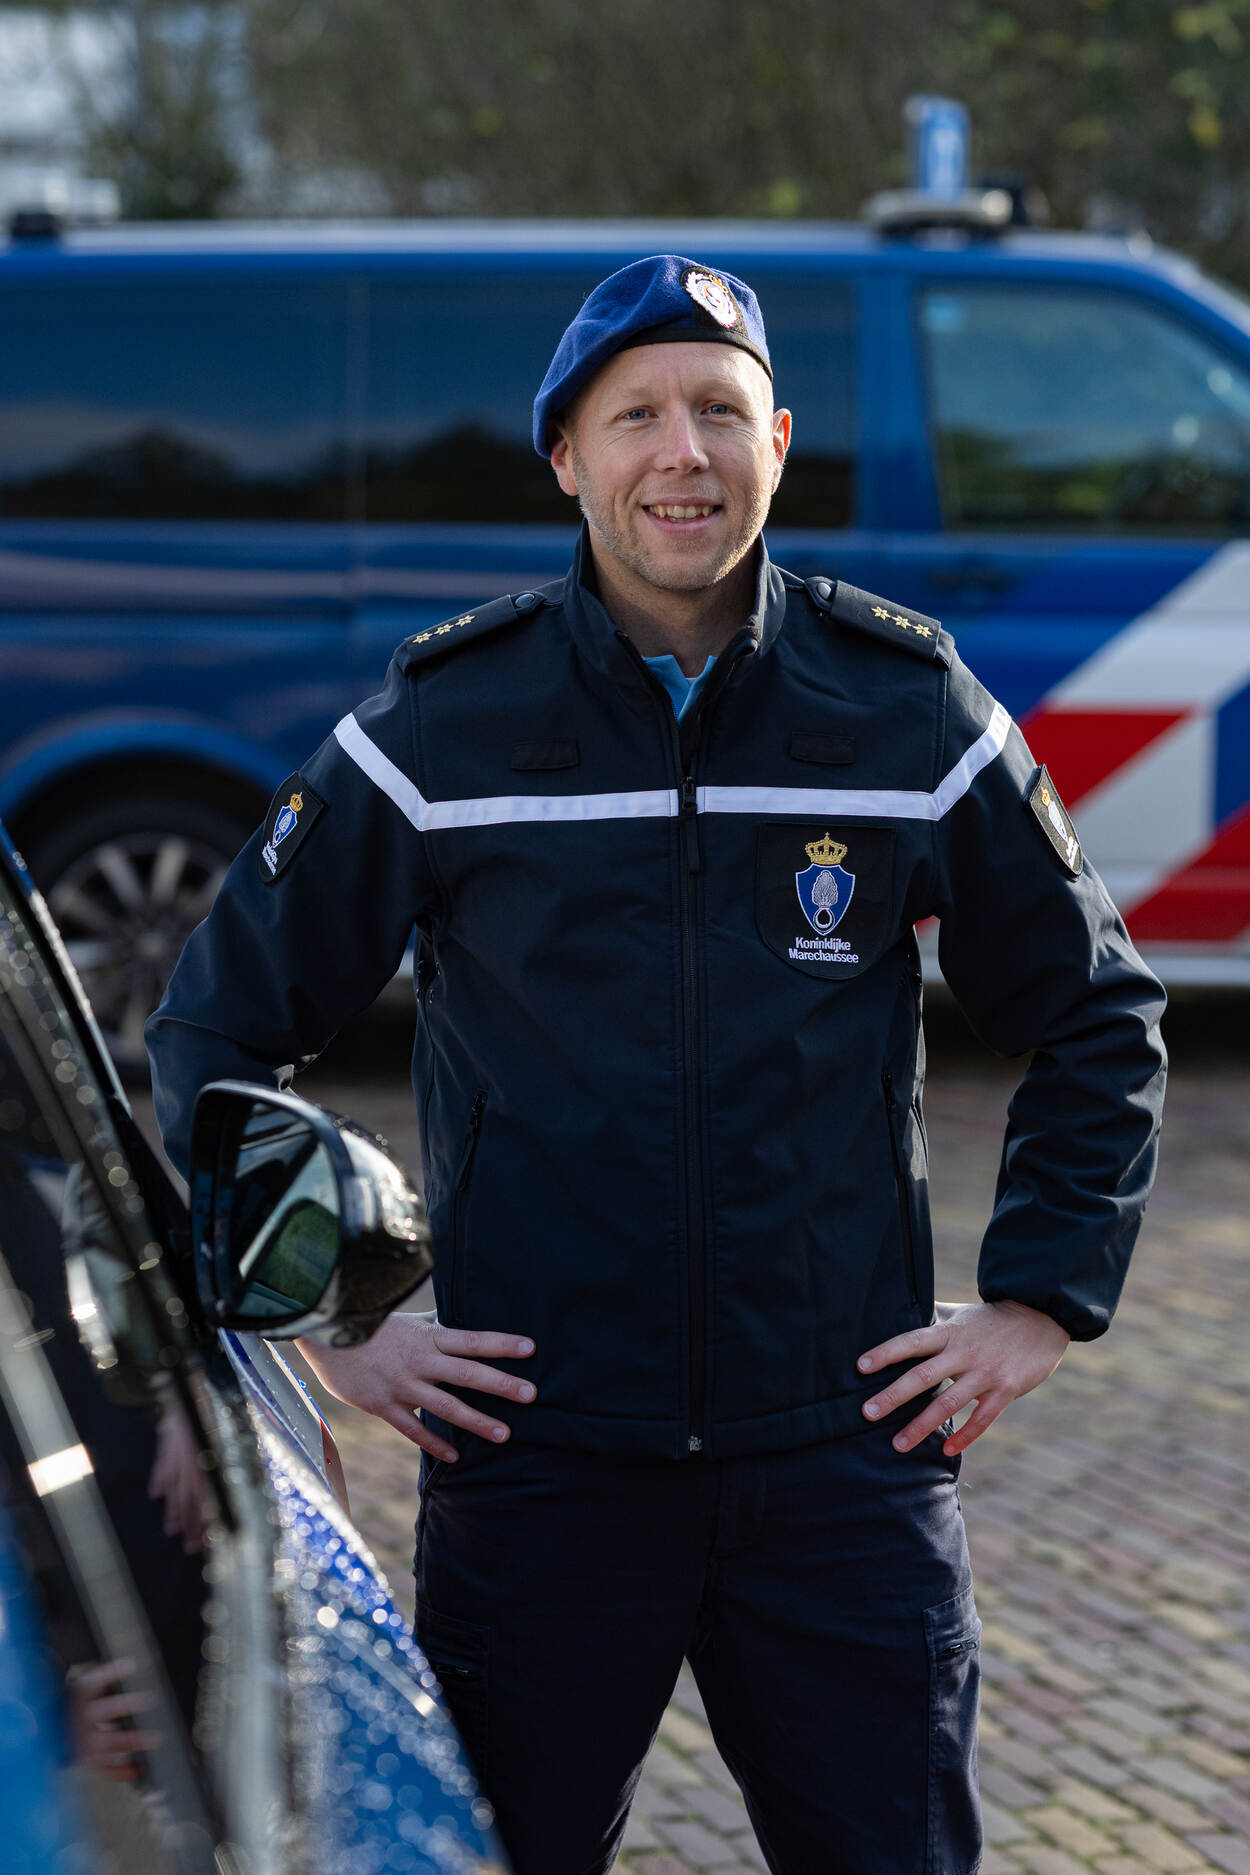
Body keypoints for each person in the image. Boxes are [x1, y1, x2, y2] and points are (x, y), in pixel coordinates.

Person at [147, 254, 1167, 1875]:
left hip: (841, 1462)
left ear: (778, 440)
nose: (680, 452)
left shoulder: (907, 710)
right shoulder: (438, 730)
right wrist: (337, 1319)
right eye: (634, 416)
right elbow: (213, 1031)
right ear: (567, 458)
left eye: (717, 410)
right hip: (538, 1463)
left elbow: (1095, 1014)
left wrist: (1039, 1297)